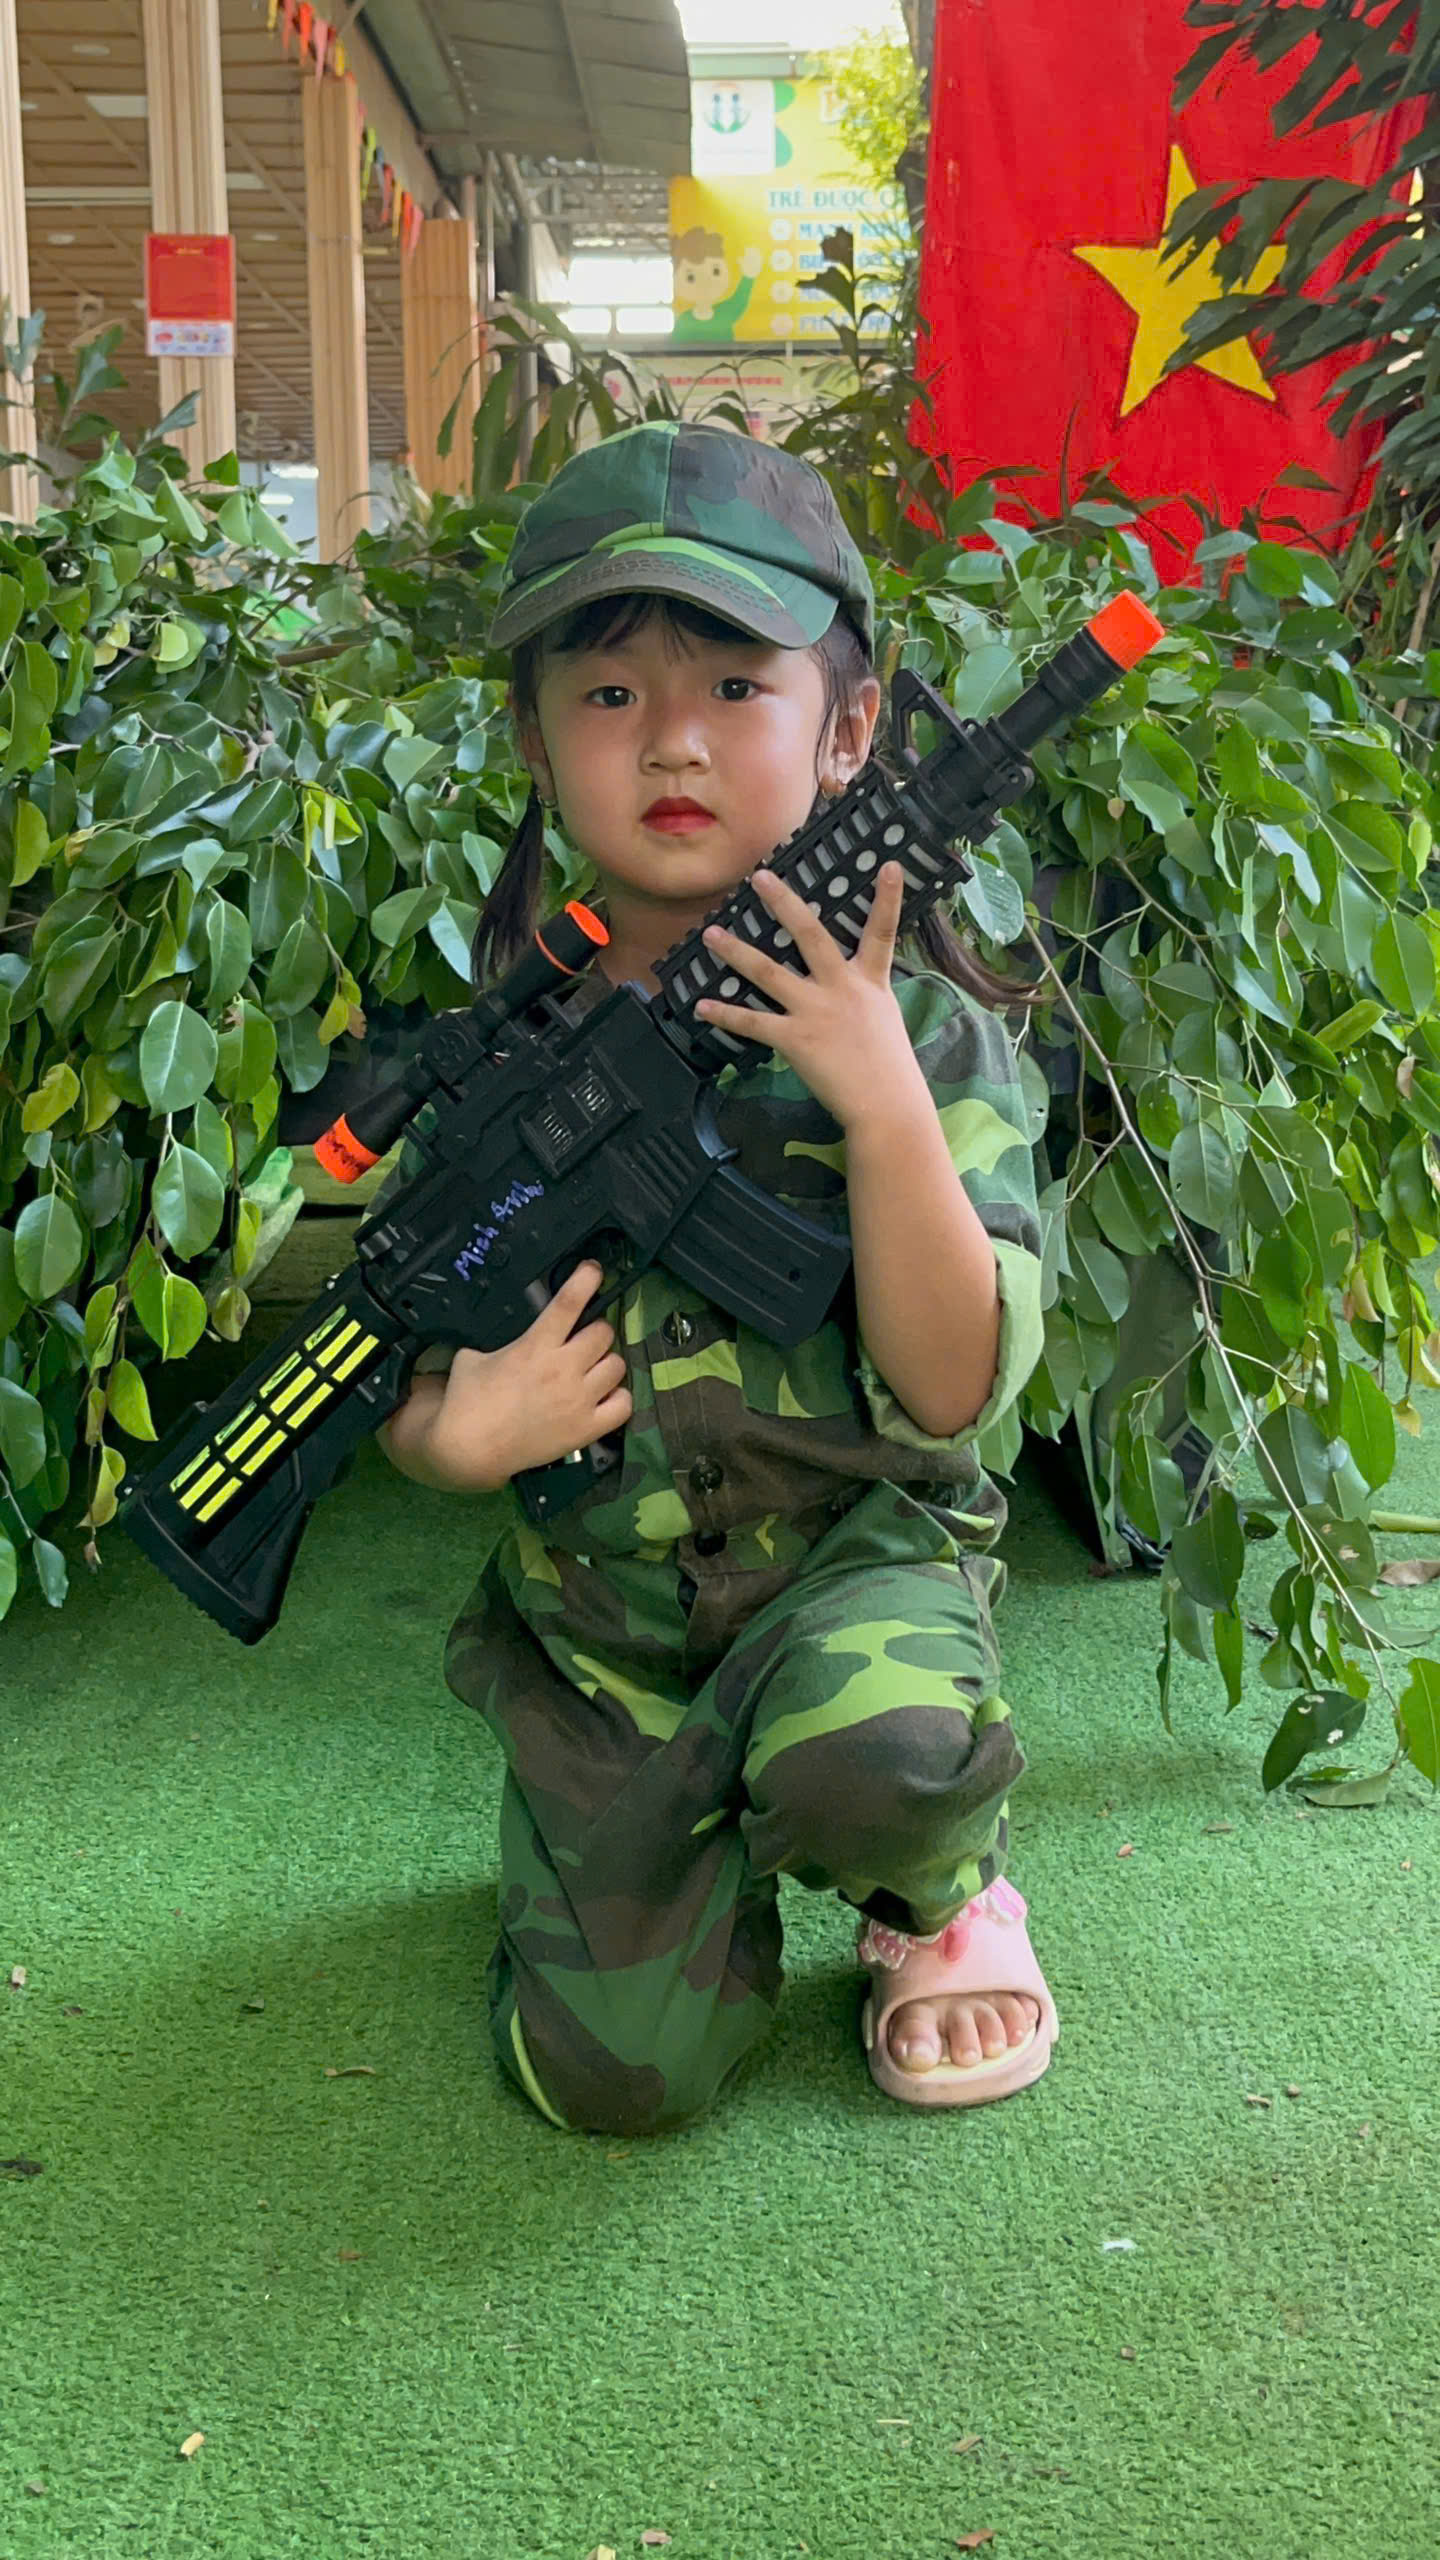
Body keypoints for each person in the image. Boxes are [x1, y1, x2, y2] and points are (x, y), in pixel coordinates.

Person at [376, 420, 1058, 2137]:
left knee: (882, 1760)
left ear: (849, 728)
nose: (672, 738)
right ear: (532, 736)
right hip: (606, 1638)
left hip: (854, 1576)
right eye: (607, 693)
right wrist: (455, 1442)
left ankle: (934, 1895)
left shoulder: (928, 1037)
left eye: (736, 686)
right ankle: (660, 1862)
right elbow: (400, 1345)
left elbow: (953, 1391)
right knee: (613, 2081)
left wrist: (879, 1101)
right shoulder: (499, 1055)